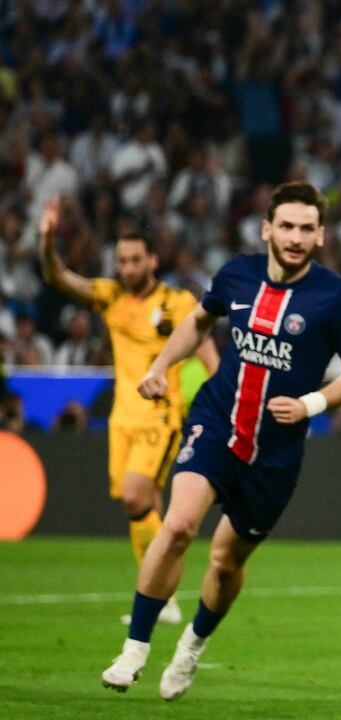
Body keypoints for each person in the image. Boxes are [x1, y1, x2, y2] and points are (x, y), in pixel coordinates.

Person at [100, 182, 341, 698]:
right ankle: (134, 648)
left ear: (320, 235)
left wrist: (312, 404)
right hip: (217, 418)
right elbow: (198, 322)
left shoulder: (336, 298)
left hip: (276, 449)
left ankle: (193, 646)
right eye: (286, 226)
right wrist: (162, 366)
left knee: (227, 563)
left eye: (306, 228)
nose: (295, 237)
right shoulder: (236, 274)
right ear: (267, 229)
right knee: (178, 524)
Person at [39, 198, 219, 626]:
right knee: (141, 507)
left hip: (161, 415)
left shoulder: (177, 302)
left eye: (135, 259)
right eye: (121, 260)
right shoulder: (111, 296)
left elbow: (208, 351)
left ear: (153, 260)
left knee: (139, 495)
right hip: (122, 418)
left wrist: (225, 401)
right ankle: (164, 597)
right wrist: (47, 240)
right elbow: (58, 276)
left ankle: (160, 592)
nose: (127, 267)